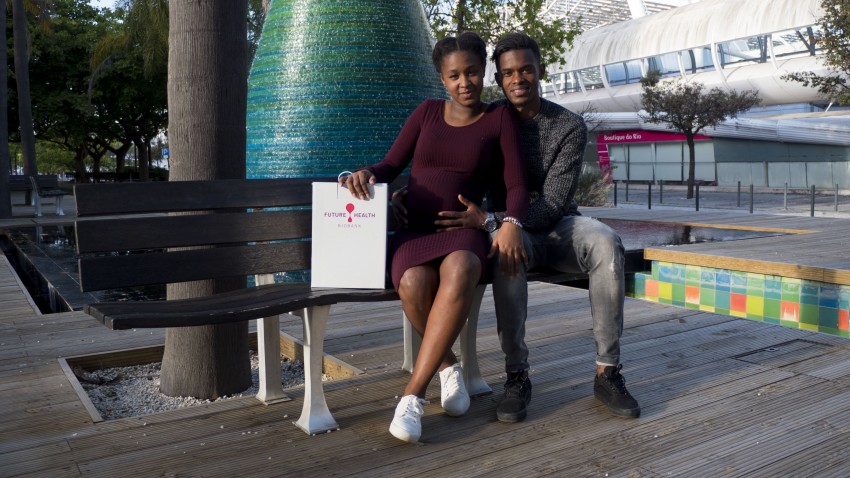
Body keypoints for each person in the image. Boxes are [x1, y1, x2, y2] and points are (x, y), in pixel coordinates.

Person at [396, 32, 640, 423]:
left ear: (540, 70)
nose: (517, 79)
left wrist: (497, 221)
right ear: (498, 77)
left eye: (526, 69)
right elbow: (455, 163)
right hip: (505, 229)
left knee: (607, 242)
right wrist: (410, 195)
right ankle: (517, 375)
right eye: (508, 73)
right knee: (507, 249)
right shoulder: (492, 118)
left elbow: (554, 203)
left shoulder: (568, 126)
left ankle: (607, 372)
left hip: (557, 225)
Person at [340, 31, 528, 443]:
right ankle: (448, 367)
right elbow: (390, 165)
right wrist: (364, 174)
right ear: (442, 78)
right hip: (414, 233)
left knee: (460, 269)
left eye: (472, 73)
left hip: (463, 234)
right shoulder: (426, 113)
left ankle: (412, 396)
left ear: (484, 72)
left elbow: (517, 184)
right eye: (454, 76)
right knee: (411, 282)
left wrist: (510, 222)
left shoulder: (498, 119)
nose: (465, 83)